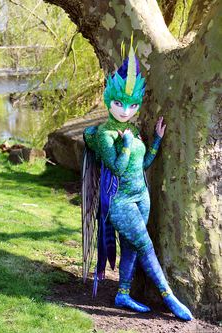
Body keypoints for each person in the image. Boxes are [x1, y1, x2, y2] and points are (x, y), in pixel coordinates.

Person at [82, 43, 193, 321]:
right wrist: (129, 145)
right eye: (119, 103)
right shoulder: (105, 135)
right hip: (120, 202)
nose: (125, 110)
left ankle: (123, 292)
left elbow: (141, 166)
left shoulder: (130, 129)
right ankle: (170, 299)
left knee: (132, 245)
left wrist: (154, 141)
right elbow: (118, 168)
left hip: (141, 197)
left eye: (132, 105)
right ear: (109, 99)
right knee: (145, 245)